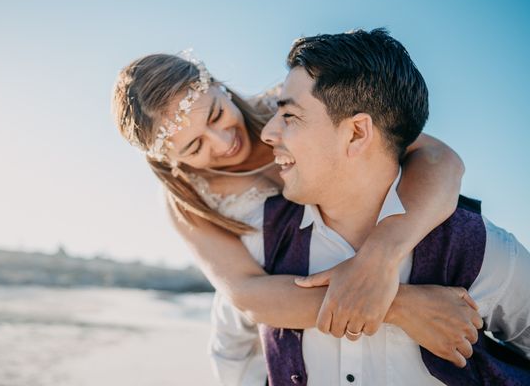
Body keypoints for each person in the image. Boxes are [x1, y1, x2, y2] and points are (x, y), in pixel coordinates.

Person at [112, 50, 480, 385]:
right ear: (171, 162)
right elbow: (247, 294)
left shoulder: (289, 106)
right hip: (266, 331)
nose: (223, 143)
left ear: (220, 87)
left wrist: (379, 259)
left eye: (216, 114)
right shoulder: (187, 201)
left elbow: (439, 159)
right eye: (195, 146)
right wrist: (397, 305)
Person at [259, 29, 530, 385]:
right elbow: (235, 354)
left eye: (289, 116)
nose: (267, 133)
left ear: (357, 133)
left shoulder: (482, 251)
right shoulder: (263, 240)